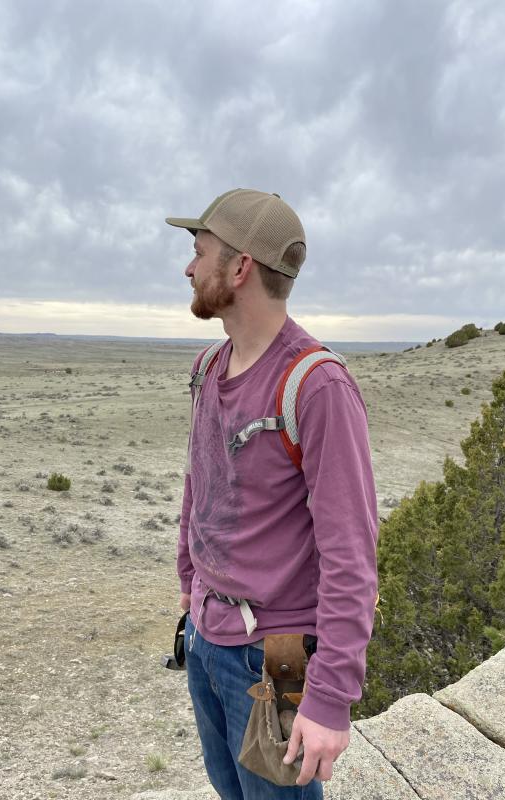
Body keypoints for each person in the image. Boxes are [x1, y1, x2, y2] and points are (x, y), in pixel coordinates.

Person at [166, 189, 378, 799]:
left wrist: (331, 697)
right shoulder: (211, 365)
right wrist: (189, 584)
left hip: (274, 656)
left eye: (199, 252)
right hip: (207, 636)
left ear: (240, 268)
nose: (188, 268)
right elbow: (199, 481)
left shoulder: (316, 387)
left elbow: (352, 554)